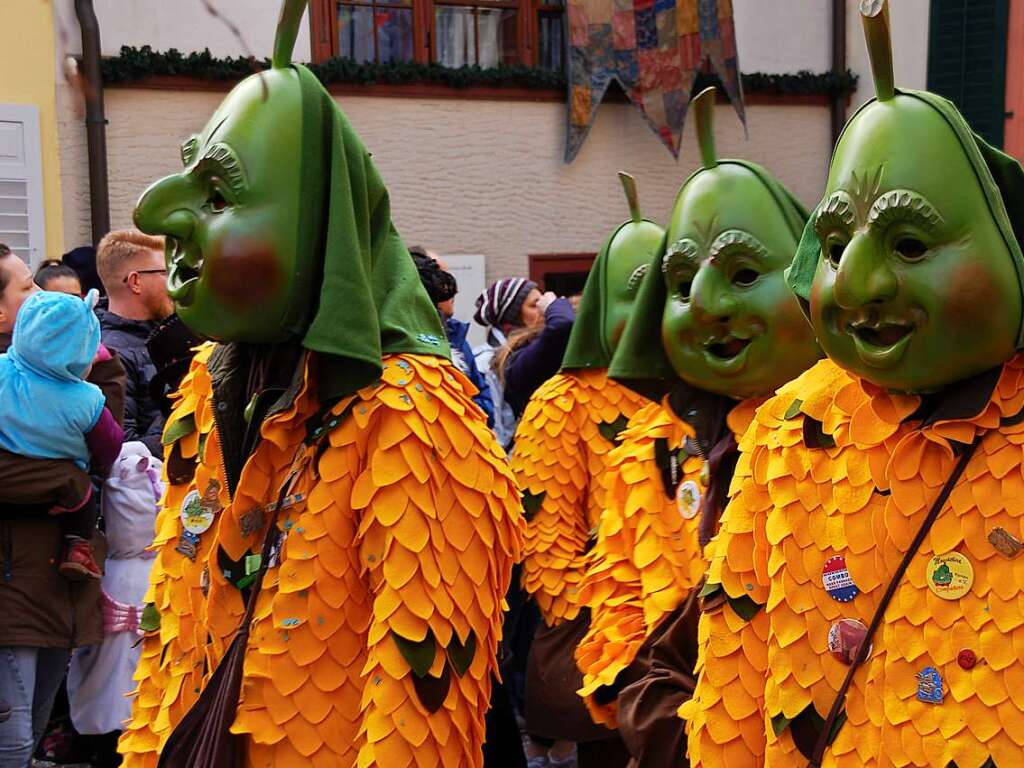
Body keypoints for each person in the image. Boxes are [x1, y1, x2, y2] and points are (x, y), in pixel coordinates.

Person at [119, 6, 524, 767]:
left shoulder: (415, 415)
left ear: (316, 227)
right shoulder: (215, 380)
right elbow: (172, 611)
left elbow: (421, 701)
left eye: (217, 197)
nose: (161, 218)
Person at [685, 4, 1024, 766]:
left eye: (908, 243)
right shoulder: (787, 427)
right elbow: (737, 646)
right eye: (835, 245)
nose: (859, 282)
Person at [576, 88, 821, 768]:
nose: (707, 305)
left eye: (743, 272)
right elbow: (620, 582)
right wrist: (645, 702)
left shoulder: (853, 438)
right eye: (680, 283)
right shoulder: (649, 444)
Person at [513, 173, 661, 768]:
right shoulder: (564, 402)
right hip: (610, 641)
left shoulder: (709, 390)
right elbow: (544, 527)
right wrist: (600, 618)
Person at [0, 243, 125, 768]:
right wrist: (68, 482)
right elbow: (106, 450)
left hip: (54, 582)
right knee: (14, 729)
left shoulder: (26, 373)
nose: (39, 293)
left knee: (34, 716)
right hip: (17, 579)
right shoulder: (69, 392)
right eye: (27, 285)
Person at [0, 289, 123, 580]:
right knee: (82, 495)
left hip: (7, 472)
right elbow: (110, 445)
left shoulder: (2, 369)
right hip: (63, 485)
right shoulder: (85, 400)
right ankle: (78, 548)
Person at [67, 442, 162, 768]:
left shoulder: (110, 566)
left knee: (104, 675)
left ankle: (95, 742)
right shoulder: (161, 569)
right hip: (147, 708)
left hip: (119, 585)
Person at [95, 230, 174, 457]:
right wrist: (184, 410)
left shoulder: (167, 333)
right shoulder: (107, 354)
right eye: (166, 273)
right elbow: (125, 450)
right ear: (135, 281)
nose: (174, 283)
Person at [410, 246, 495, 424]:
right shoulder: (397, 340)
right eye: (442, 280)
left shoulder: (457, 336)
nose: (454, 291)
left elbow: (486, 407)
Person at [473, 277, 542, 447]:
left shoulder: (534, 354)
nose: (543, 310)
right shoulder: (486, 362)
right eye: (534, 305)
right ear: (513, 316)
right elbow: (495, 430)